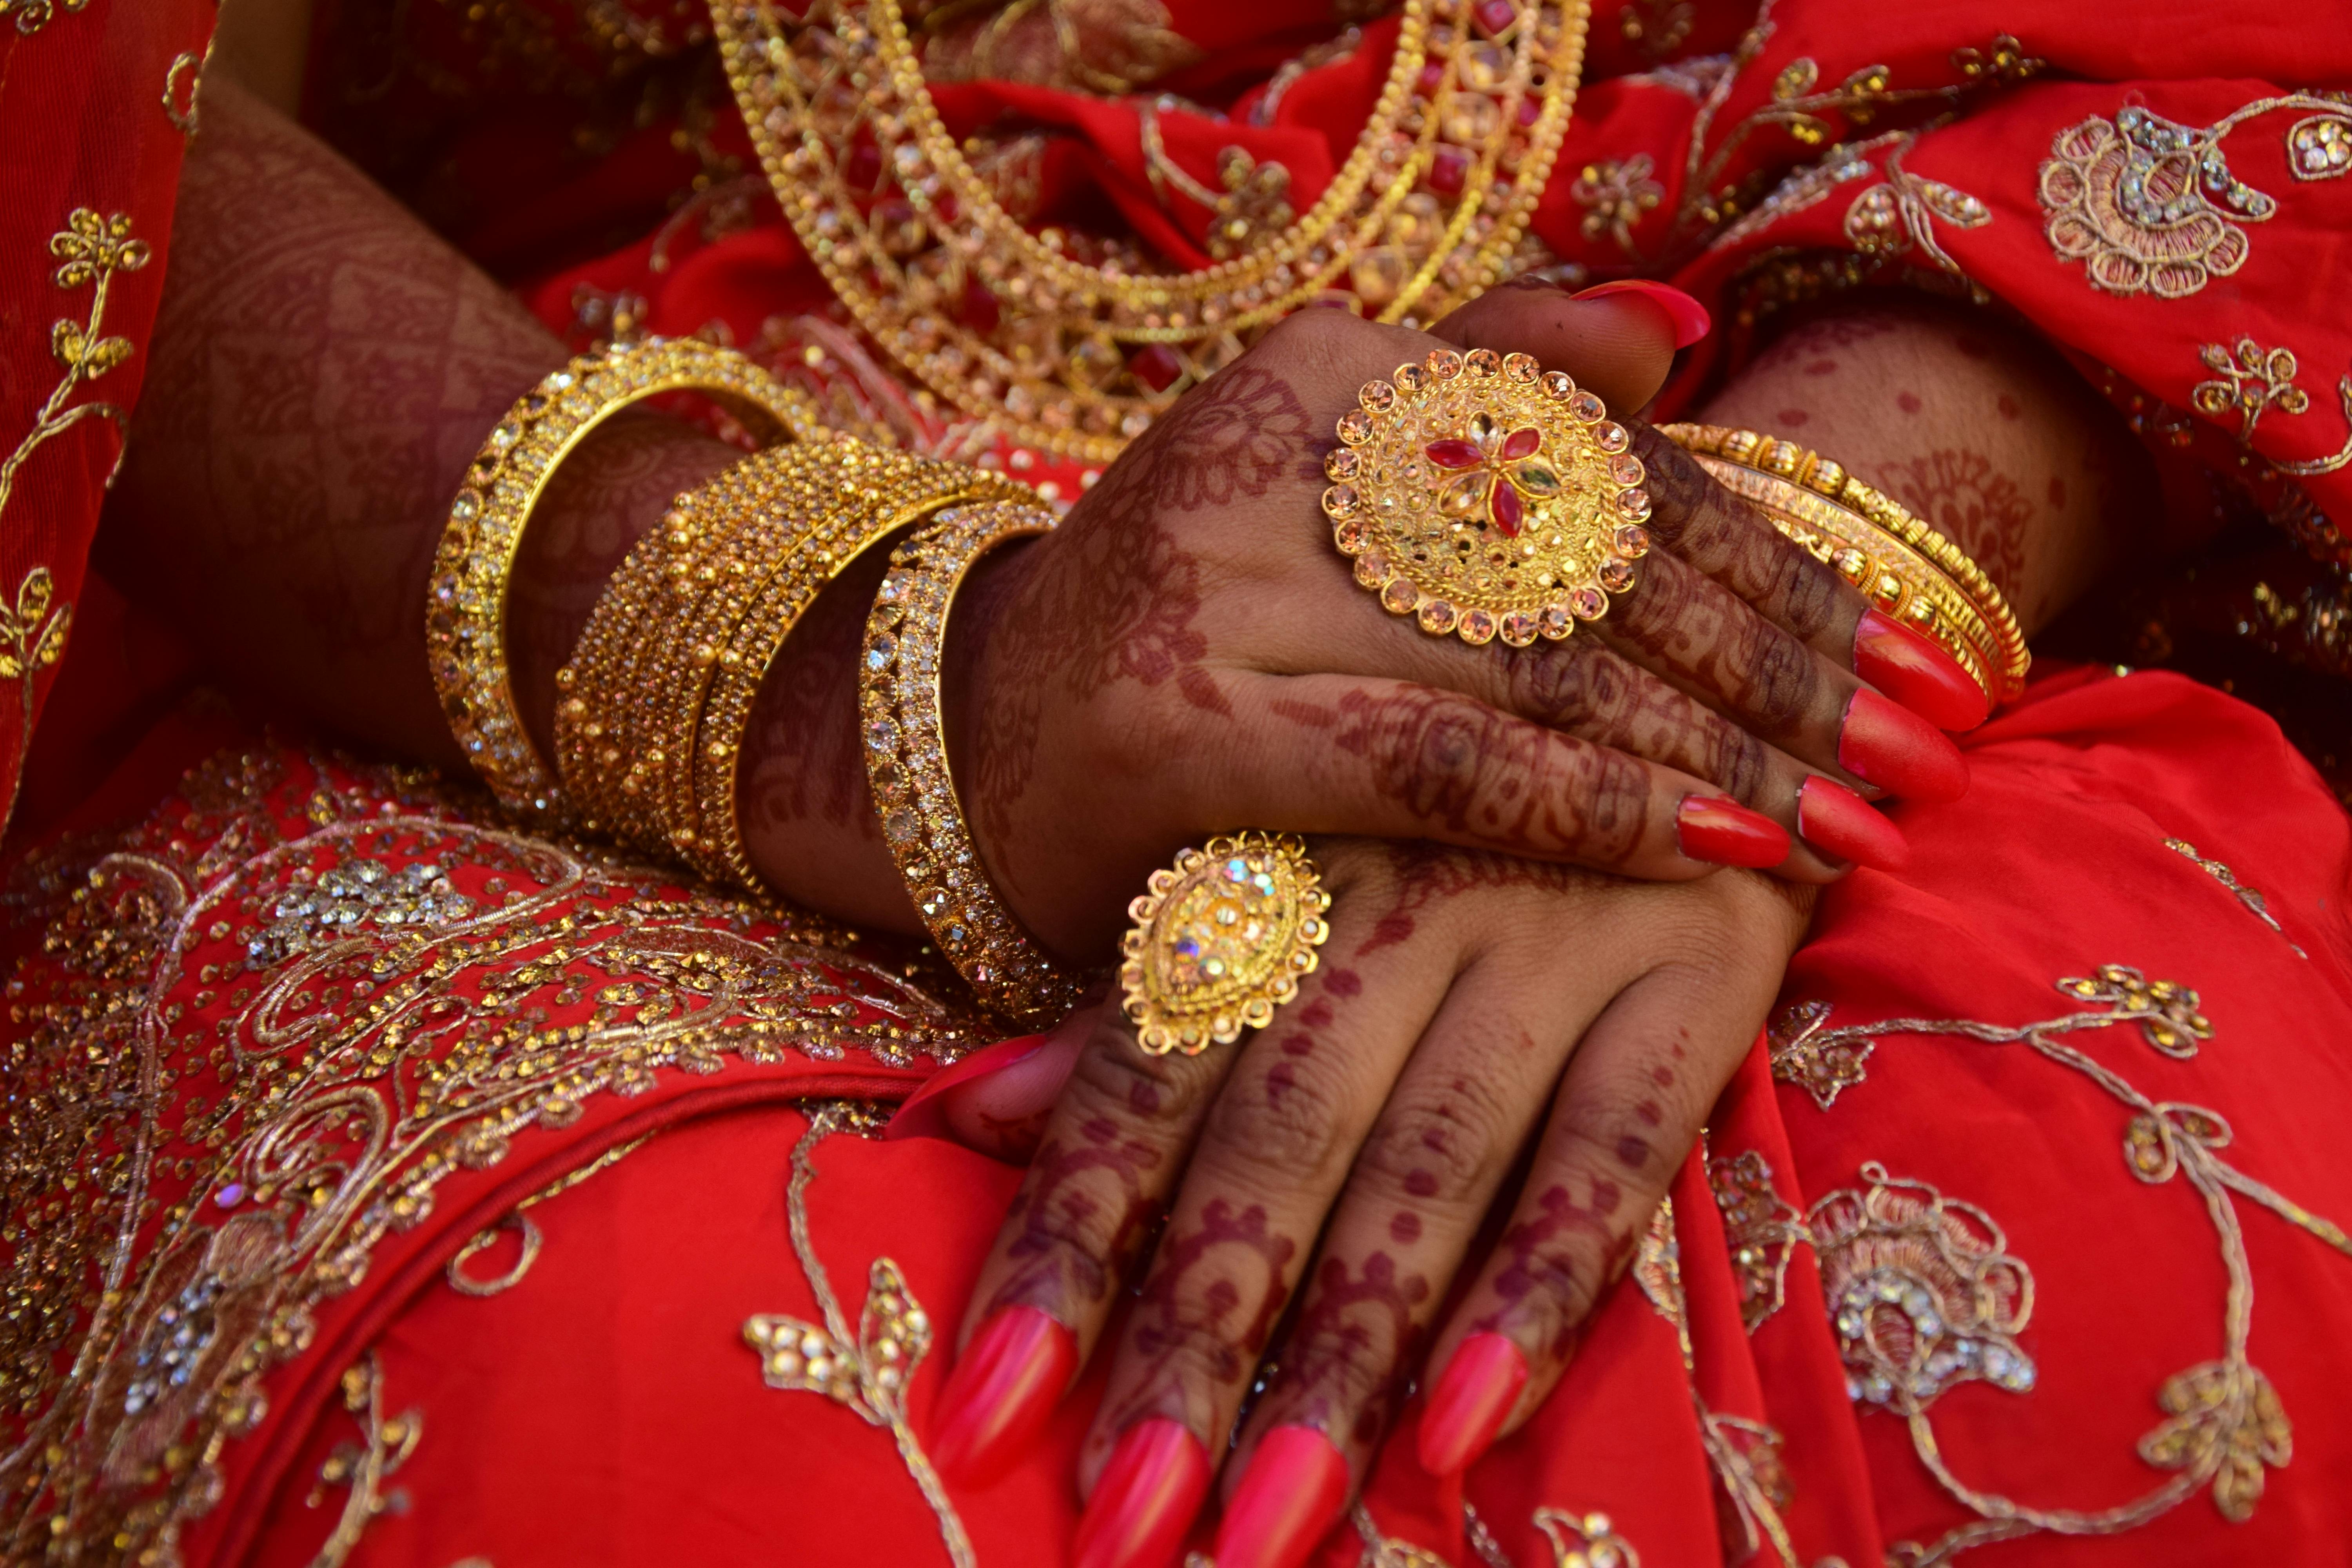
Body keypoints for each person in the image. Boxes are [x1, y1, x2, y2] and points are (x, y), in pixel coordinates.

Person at [1, 2, 2347, 1566]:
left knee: (2133, 1236)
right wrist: (855, 668)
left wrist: (1735, 635)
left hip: (1810, 366)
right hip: (493, 504)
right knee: (644, 1409)